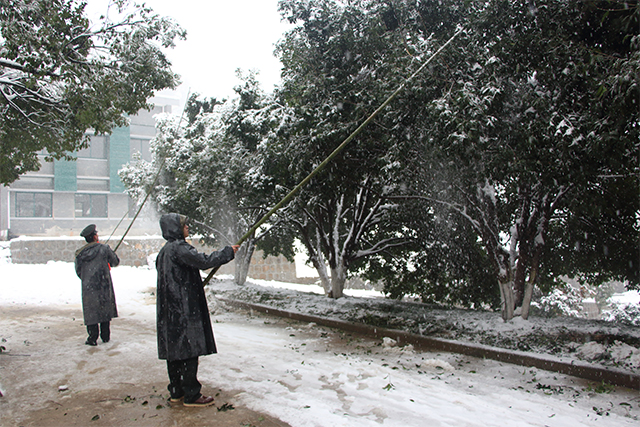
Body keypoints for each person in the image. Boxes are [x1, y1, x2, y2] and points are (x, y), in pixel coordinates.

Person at [156, 213, 239, 407]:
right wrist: (228, 253)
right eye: (184, 226)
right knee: (189, 349)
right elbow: (204, 261)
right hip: (183, 307)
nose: (187, 228)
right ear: (176, 228)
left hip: (169, 310)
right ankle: (192, 394)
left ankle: (176, 391)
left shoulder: (164, 252)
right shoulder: (180, 248)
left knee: (175, 351)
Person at [74, 224, 120, 346]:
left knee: (91, 310)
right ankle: (105, 336)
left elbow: (79, 272)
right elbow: (115, 262)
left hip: (88, 286)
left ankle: (92, 337)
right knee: (104, 308)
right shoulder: (104, 249)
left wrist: (87, 279)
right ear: (95, 237)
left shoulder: (80, 254)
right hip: (103, 284)